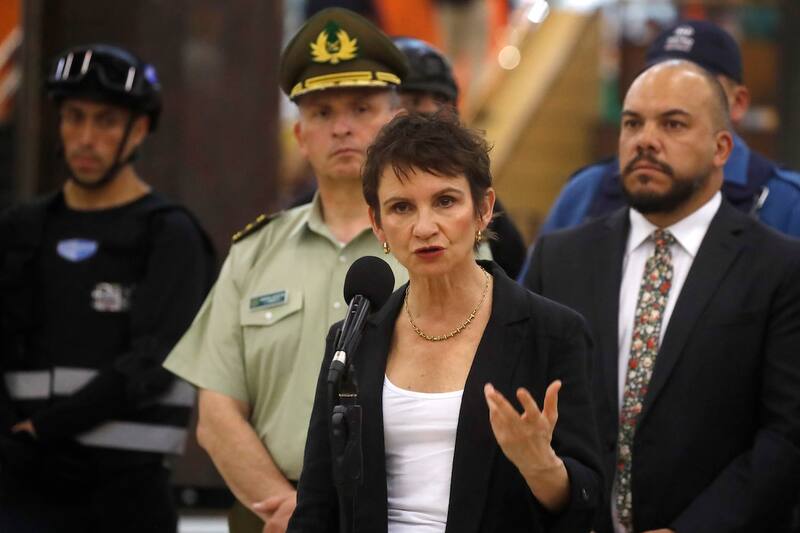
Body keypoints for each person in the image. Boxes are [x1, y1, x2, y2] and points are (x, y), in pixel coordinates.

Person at [289, 112, 603, 532]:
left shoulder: (552, 333)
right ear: (378, 223)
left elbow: (589, 505)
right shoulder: (354, 338)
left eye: (445, 201)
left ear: (484, 209)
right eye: (401, 207)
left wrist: (542, 467)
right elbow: (316, 504)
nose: (424, 227)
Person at [523, 60, 800, 532]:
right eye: (632, 123)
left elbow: (787, 434)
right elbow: (527, 403)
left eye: (672, 124)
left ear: (721, 148)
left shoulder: (779, 267)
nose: (645, 140)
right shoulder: (560, 257)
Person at [163, 8, 411, 533]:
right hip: (269, 516)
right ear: (299, 135)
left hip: (407, 512)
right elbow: (216, 413)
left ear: (395, 121)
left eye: (361, 107)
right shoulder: (255, 253)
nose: (341, 126)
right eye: (321, 113)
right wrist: (289, 508)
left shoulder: (438, 244)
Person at [0, 43, 215, 532]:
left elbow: (154, 360)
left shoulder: (170, 233)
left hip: (125, 493)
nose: (85, 137)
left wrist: (45, 430)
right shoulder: (20, 229)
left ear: (138, 130)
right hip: (20, 485)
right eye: (74, 117)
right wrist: (14, 439)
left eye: (106, 121)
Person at [527, 20, 800, 251]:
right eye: (659, 76)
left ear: (737, 102)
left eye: (695, 81)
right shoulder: (590, 190)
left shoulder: (784, 202)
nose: (671, 89)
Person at [392, 35, 527, 278]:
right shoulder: (324, 204)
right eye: (413, 100)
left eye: (442, 101)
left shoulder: (484, 209)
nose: (430, 112)